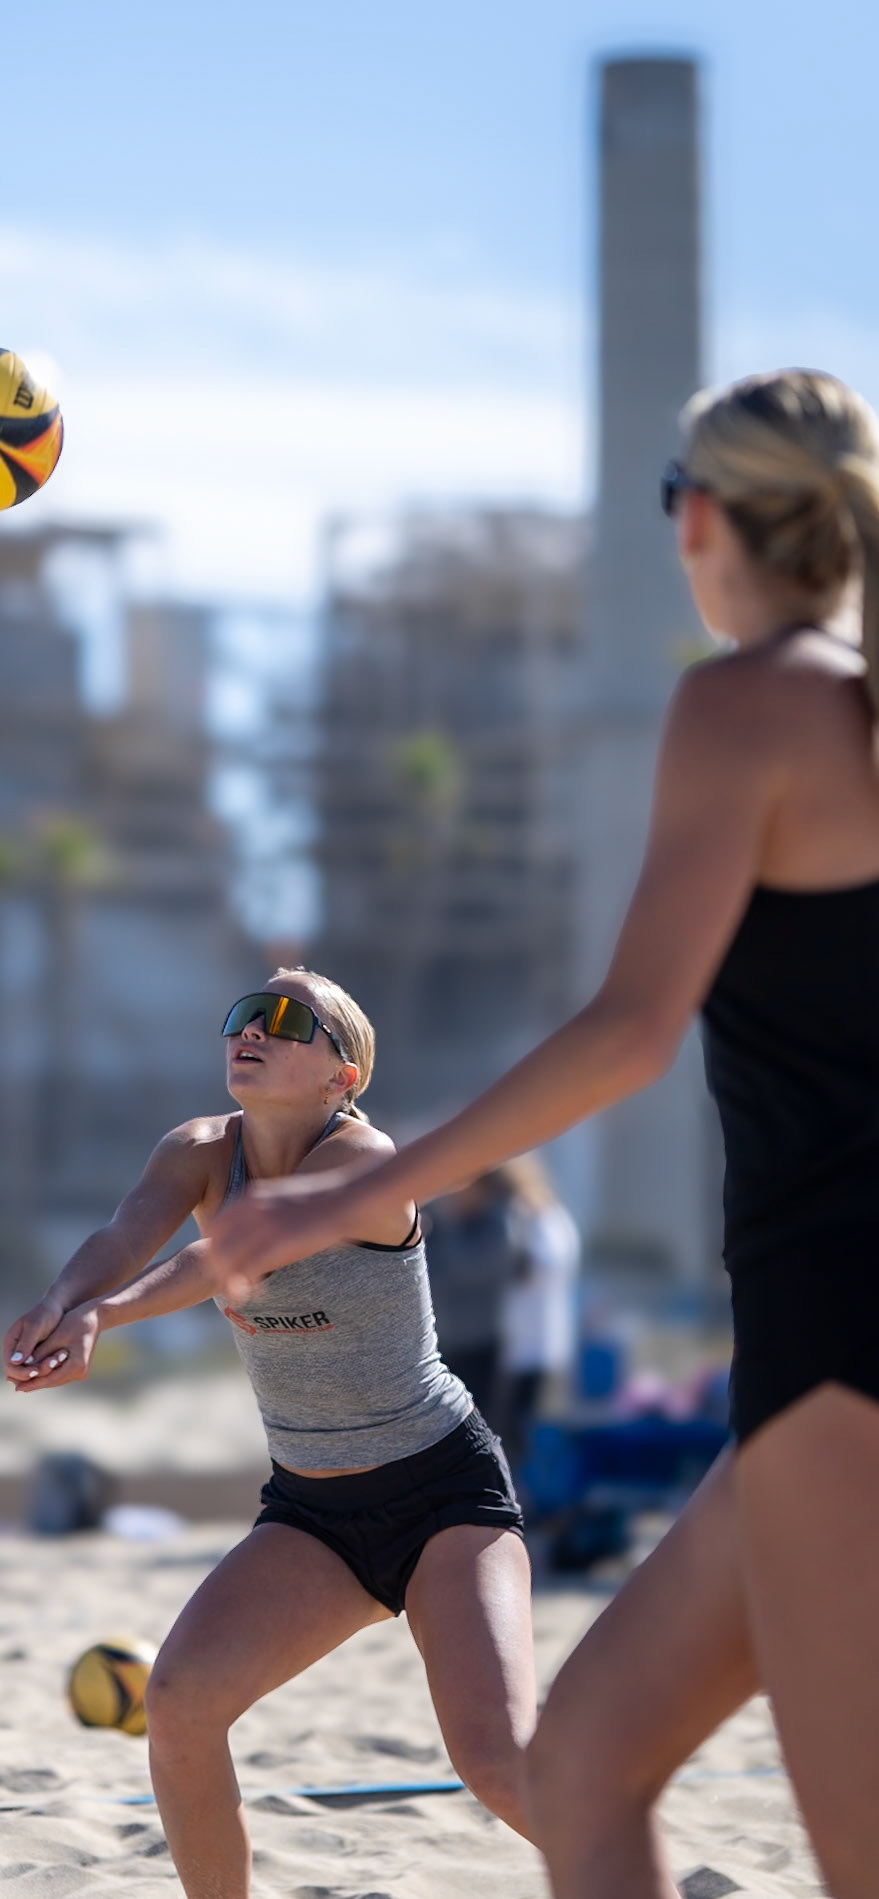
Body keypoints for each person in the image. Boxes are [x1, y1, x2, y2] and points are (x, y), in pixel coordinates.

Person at [207, 370, 879, 1898]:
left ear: (699, 520)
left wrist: (334, 1194)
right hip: (811, 1362)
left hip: (840, 1344)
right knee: (582, 1763)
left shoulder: (750, 698)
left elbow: (630, 1028)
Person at [2, 969, 534, 1899]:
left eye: (287, 1020)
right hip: (313, 1512)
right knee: (178, 1704)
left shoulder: (361, 1159)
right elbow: (124, 1236)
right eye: (245, 1014)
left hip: (444, 1494)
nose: (252, 1029)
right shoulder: (199, 1149)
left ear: (342, 1074)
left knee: (495, 1758)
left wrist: (103, 1318)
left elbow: (229, 1251)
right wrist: (59, 1305)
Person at [493, 1154, 580, 1467]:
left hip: (526, 1343)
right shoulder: (550, 1217)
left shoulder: (536, 1218)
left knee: (513, 1432)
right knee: (513, 1430)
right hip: (529, 1341)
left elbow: (539, 1267)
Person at [422, 1171, 517, 1423]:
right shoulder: (440, 1222)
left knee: (480, 1421)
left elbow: (468, 1270)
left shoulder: (496, 1223)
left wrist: (448, 1224)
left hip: (478, 1343)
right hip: (443, 1342)